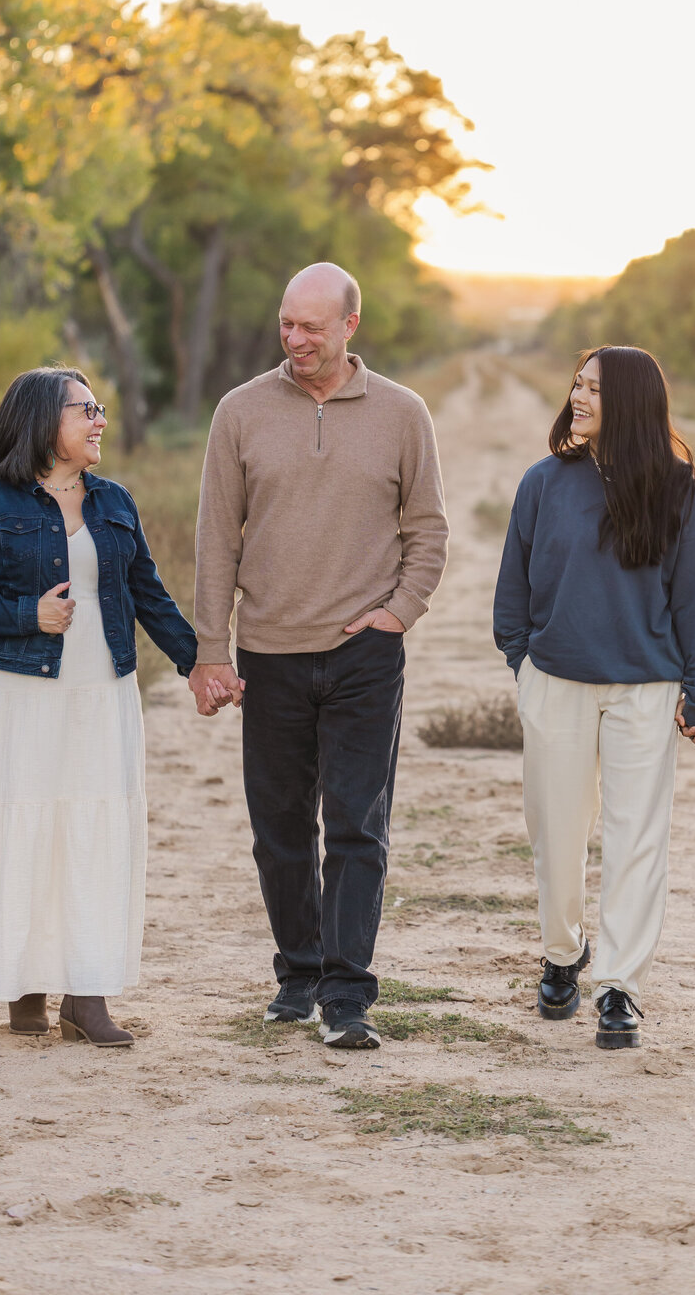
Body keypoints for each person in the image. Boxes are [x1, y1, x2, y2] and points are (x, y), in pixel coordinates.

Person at [189, 262, 448, 1051]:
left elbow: (428, 530)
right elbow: (214, 538)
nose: (295, 340)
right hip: (269, 655)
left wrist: (397, 614)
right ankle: (297, 975)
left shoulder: (403, 413)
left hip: (364, 657)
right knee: (279, 829)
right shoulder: (240, 412)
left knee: (357, 828)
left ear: (349, 327)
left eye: (311, 326)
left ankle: (347, 995)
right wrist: (212, 648)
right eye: (286, 324)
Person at [0, 367, 197, 1046]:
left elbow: (150, 595)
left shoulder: (114, 502)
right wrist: (26, 614)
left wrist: (203, 665)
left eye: (101, 408)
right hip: (18, 697)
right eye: (88, 410)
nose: (101, 420)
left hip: (101, 695)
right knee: (26, 832)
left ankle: (88, 993)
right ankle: (23, 986)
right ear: (45, 421)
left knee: (93, 836)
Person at [493, 346, 695, 1050]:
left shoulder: (681, 493)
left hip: (647, 692)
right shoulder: (543, 482)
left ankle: (620, 985)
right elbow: (512, 593)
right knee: (556, 834)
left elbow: (693, 603)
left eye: (595, 387)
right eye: (578, 384)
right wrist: (524, 664)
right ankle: (564, 953)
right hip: (555, 682)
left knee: (637, 840)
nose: (580, 396)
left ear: (630, 401)